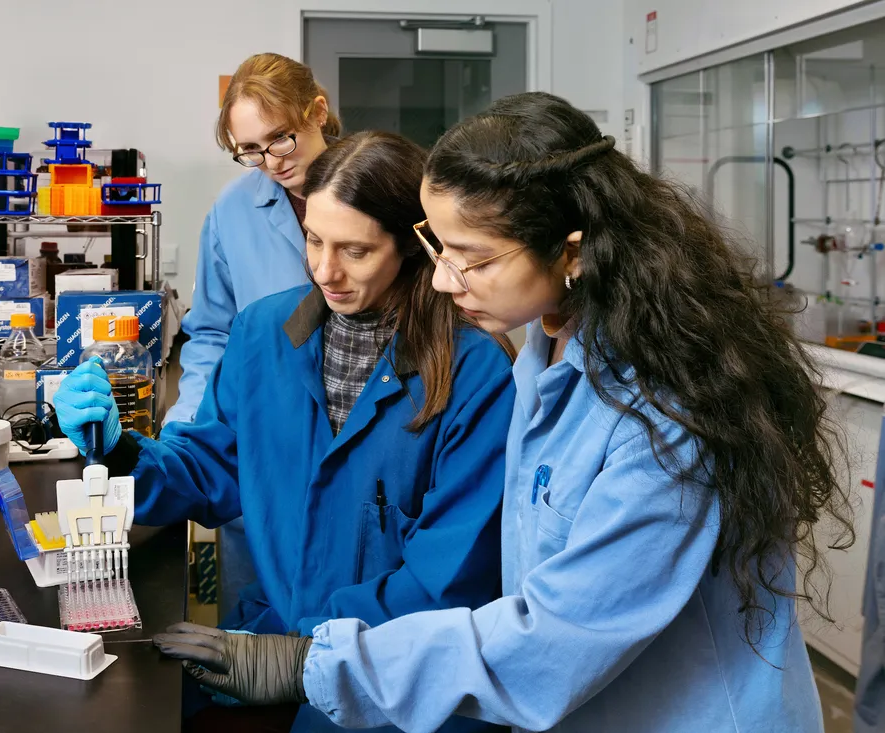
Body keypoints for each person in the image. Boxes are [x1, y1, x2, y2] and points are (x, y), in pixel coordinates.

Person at [152, 92, 856, 733]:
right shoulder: (545, 354)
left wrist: (313, 660)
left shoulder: (660, 416)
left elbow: (552, 635)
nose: (441, 279)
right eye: (440, 249)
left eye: (473, 258)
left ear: (571, 252)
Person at [55, 131, 516, 732]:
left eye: (355, 251)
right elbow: (212, 469)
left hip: (396, 681)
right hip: (276, 643)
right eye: (314, 240)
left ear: (410, 246)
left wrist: (306, 659)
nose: (326, 270)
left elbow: (450, 578)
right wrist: (120, 449)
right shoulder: (262, 332)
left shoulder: (472, 371)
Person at [166, 52, 339, 617]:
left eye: (280, 140)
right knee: (253, 623)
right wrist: (190, 426)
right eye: (249, 150)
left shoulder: (380, 189)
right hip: (263, 439)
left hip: (355, 428)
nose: (269, 162)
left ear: (318, 111)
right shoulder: (234, 209)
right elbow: (212, 332)